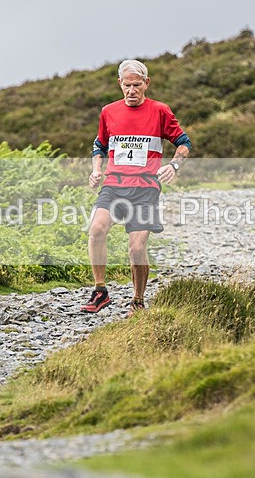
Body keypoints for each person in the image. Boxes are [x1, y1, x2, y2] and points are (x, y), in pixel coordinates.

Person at [81, 59, 192, 316]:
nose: (132, 91)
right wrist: (96, 170)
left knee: (137, 248)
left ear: (147, 84)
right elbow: (99, 145)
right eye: (127, 85)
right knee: (96, 230)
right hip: (114, 184)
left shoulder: (160, 111)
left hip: (145, 188)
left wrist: (173, 166)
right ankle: (100, 292)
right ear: (119, 84)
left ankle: (138, 299)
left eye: (137, 85)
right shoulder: (108, 111)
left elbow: (184, 143)